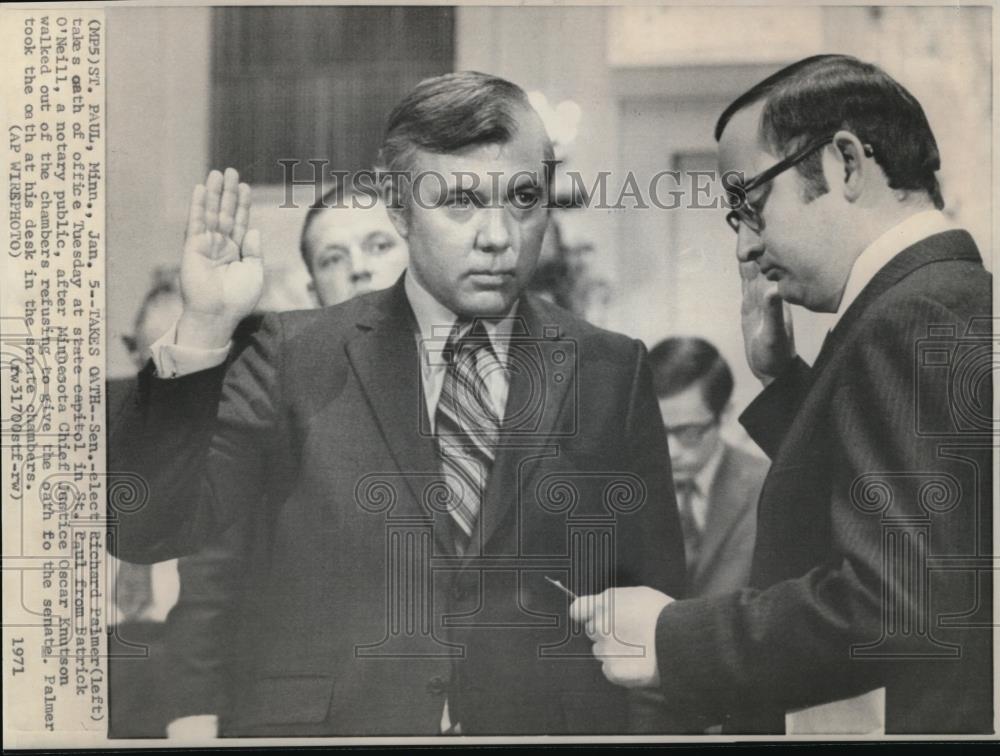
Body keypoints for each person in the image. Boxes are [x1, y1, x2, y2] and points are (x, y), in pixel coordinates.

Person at [108, 71, 685, 736]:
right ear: (398, 205)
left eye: (524, 198)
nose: (499, 236)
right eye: (461, 202)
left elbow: (656, 612)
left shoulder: (610, 368)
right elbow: (144, 528)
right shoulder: (293, 355)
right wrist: (205, 329)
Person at [571, 54, 993, 734]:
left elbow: (894, 603)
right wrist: (785, 380)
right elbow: (895, 501)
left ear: (847, 163)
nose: (743, 246)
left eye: (749, 203)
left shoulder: (906, 319)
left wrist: (673, 638)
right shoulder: (942, 297)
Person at [160, 186, 410, 740]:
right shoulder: (271, 381)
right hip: (312, 721)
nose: (361, 270)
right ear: (312, 285)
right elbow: (210, 567)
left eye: (379, 245)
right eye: (333, 258)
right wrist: (192, 710)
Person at [649, 337, 766, 597]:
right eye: (655, 430)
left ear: (724, 414)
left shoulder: (767, 488)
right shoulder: (623, 488)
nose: (670, 451)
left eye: (688, 432)